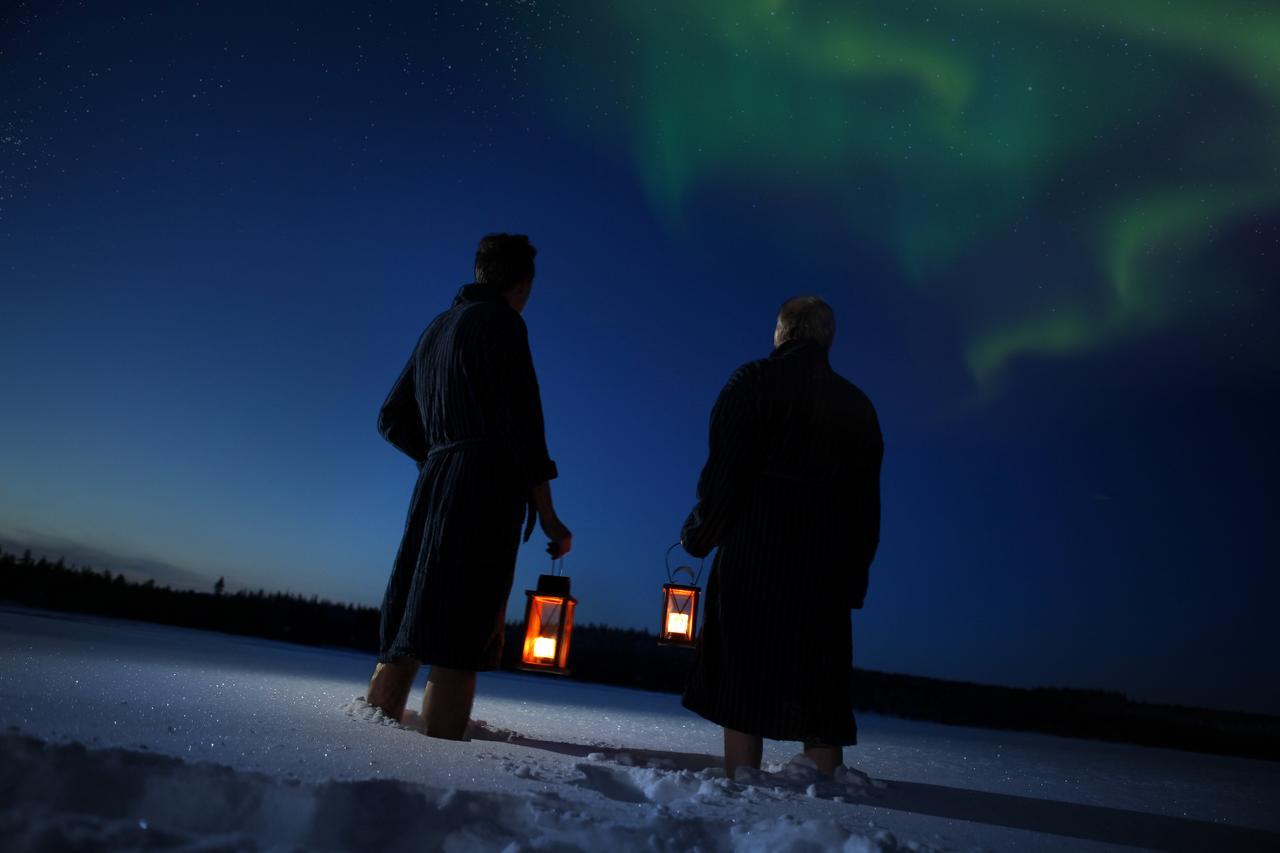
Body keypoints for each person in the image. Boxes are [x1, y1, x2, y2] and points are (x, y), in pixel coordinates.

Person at [366, 233, 572, 739]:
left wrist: (437, 454)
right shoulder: (503, 324)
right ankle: (438, 768)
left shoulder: (436, 328)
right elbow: (524, 425)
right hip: (482, 491)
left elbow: (391, 419)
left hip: (435, 484)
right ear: (521, 283)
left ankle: (369, 738)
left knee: (412, 619)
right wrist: (547, 513)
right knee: (462, 628)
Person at [680, 295, 883, 777]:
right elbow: (867, 508)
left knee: (741, 688)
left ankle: (741, 791)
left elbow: (722, 477)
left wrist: (699, 535)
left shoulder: (752, 382)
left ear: (782, 333)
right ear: (827, 338)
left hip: (755, 556)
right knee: (821, 694)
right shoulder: (857, 405)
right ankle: (828, 801)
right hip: (825, 571)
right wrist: (854, 578)